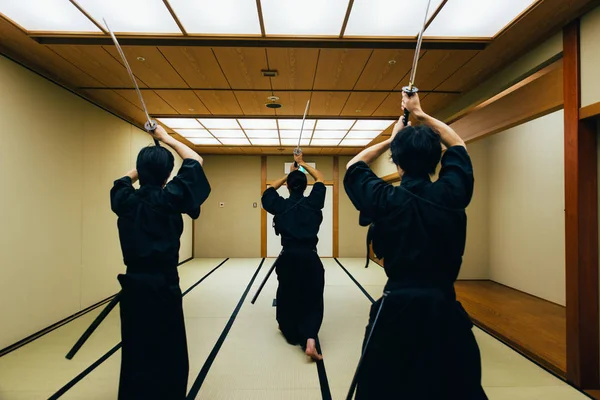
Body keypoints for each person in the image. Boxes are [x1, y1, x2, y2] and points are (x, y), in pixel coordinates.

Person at [344, 92, 487, 399]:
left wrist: (392, 138)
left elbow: (354, 166)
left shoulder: (385, 199)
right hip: (443, 311)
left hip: (395, 310)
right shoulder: (451, 193)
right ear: (437, 160)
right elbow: (458, 145)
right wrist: (419, 113)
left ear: (396, 161)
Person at [110, 125, 210, 400]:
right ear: (169, 174)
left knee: (136, 347)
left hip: (133, 285)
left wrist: (141, 168)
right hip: (164, 285)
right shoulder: (171, 198)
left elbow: (122, 180)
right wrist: (166, 139)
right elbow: (195, 161)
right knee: (168, 348)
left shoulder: (124, 198)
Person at [261, 152, 326, 361]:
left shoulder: (280, 205)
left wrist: (287, 174)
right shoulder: (314, 202)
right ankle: (309, 339)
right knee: (312, 297)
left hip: (287, 258)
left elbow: (269, 188)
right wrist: (302, 164)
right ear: (305, 187)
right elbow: (321, 178)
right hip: (310, 257)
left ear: (288, 187)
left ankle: (288, 330)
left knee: (287, 293)